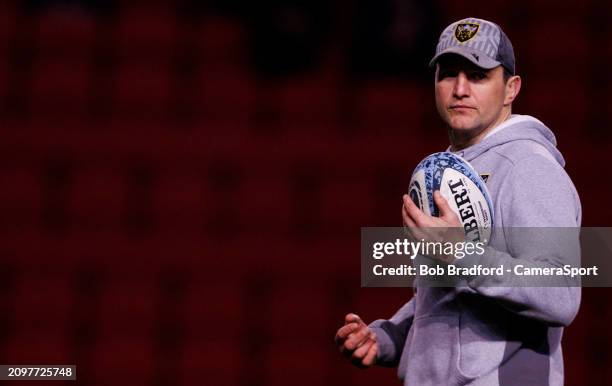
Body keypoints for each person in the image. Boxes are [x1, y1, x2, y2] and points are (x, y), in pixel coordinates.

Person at [335, 17, 581, 385]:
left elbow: (560, 292)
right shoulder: (451, 170)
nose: (460, 89)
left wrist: (462, 252)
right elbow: (448, 301)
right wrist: (387, 337)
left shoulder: (527, 166)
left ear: (511, 89)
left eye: (478, 76)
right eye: (449, 74)